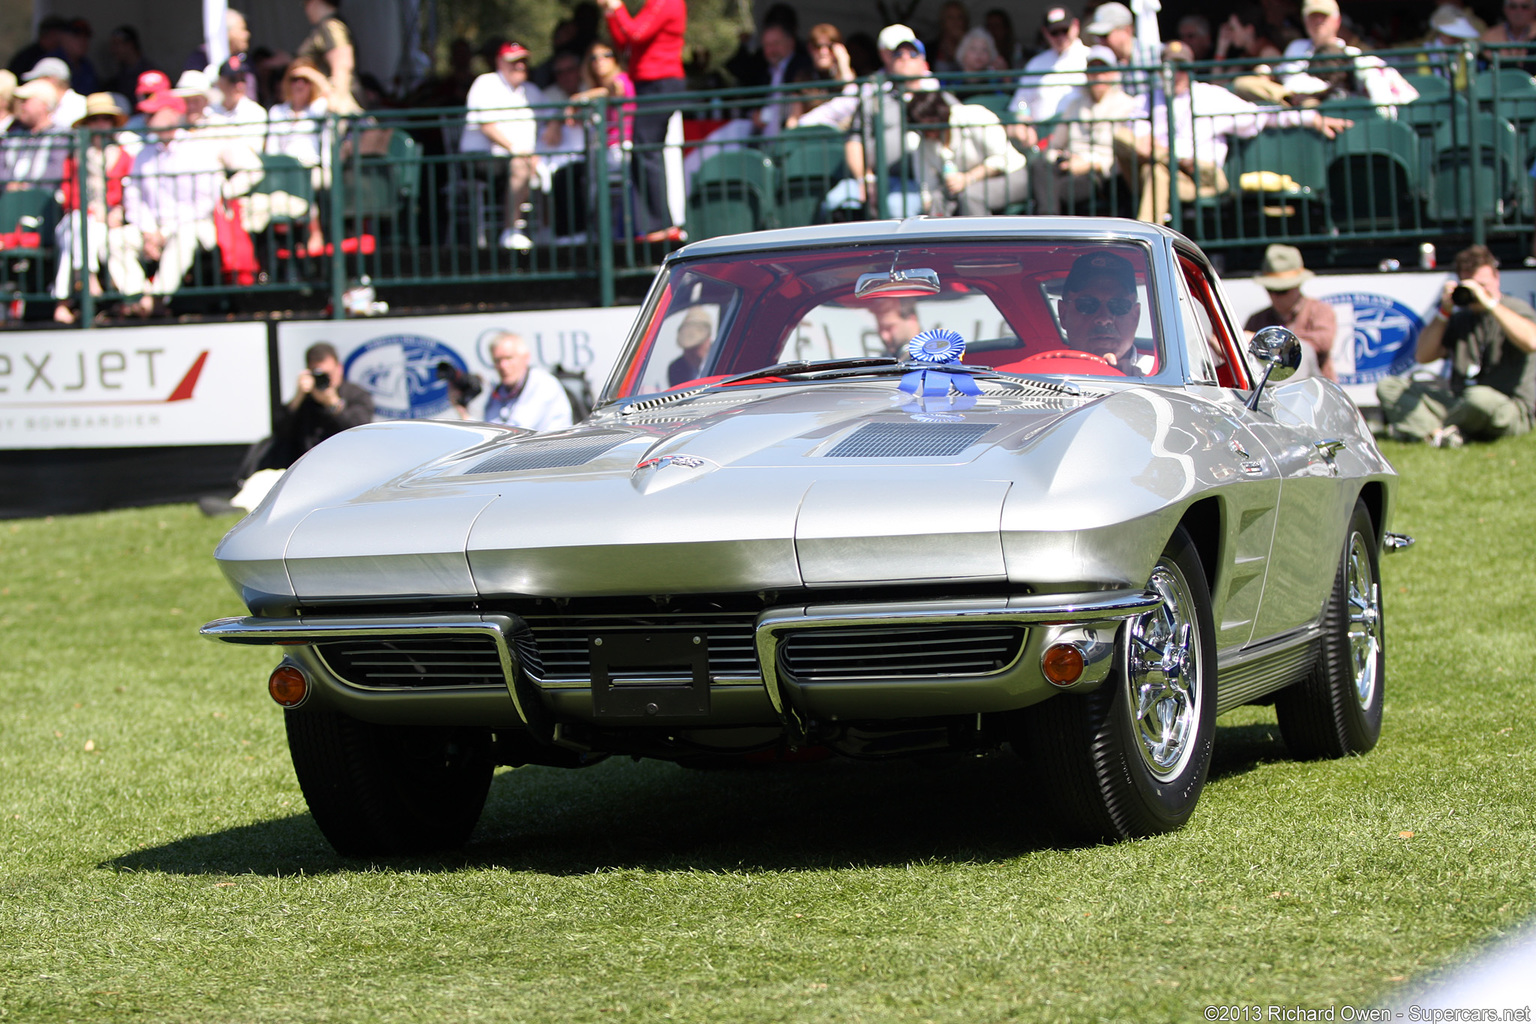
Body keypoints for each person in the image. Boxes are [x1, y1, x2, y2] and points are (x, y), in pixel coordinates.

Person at [1113, 41, 1351, 224]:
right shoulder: (1146, 101)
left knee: (1156, 171)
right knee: (1130, 145)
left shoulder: (1211, 95)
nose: (1176, 74)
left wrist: (1312, 118)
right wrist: (1171, 158)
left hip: (1200, 176)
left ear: (1191, 68)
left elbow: (1262, 116)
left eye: (1182, 67)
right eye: (1169, 68)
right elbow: (1139, 143)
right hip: (1163, 171)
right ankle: (1151, 235)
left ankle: (1144, 243)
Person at [1376, 245, 1536, 446]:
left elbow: (1531, 341)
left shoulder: (1514, 309)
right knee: (1389, 386)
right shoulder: (1461, 318)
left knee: (1479, 398)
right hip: (1460, 402)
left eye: (1482, 285)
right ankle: (1444, 435)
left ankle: (1431, 430)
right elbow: (1423, 356)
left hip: (1507, 408)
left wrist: (1489, 303)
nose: (1476, 293)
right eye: (1468, 285)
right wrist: (1444, 311)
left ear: (1497, 279)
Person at [122, 95, 223, 316]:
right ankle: (138, 297)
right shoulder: (143, 153)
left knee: (184, 237)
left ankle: (156, 299)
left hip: (194, 225)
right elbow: (134, 197)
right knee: (117, 239)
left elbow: (205, 202)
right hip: (151, 230)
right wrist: (149, 231)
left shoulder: (198, 149)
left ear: (170, 115)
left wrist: (166, 231)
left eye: (152, 114)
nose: (146, 119)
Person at [51, 93, 146, 323]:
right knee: (79, 226)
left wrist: (116, 211)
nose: (101, 124)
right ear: (88, 124)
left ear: (113, 124)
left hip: (112, 221)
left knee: (83, 233)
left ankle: (66, 299)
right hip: (82, 218)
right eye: (95, 119)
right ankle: (89, 278)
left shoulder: (124, 157)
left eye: (106, 118)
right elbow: (70, 196)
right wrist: (93, 212)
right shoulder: (76, 157)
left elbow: (130, 193)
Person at [602, 0, 687, 244]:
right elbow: (625, 44)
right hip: (648, 84)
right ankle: (651, 224)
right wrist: (611, 14)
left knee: (646, 148)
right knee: (643, 148)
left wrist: (617, 7)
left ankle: (659, 225)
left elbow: (636, 34)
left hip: (661, 82)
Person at [1032, 46, 1135, 214]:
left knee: (1053, 191)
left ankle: (1048, 229)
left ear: (1114, 74)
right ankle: (1050, 227)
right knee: (1039, 166)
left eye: (1104, 70)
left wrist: (1089, 164)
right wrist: (1062, 158)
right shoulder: (1075, 105)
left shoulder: (1127, 105)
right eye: (1093, 71)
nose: (1099, 76)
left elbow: (1122, 154)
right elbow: (1056, 143)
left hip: (1101, 175)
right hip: (1069, 164)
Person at [462, 41, 544, 251]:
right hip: (482, 158)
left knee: (550, 165)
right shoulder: (485, 83)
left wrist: (540, 148)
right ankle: (511, 230)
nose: (520, 66)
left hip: (520, 158)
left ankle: (548, 231)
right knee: (520, 164)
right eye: (514, 62)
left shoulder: (532, 90)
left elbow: (551, 119)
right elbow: (487, 126)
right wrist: (517, 150)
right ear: (500, 62)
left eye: (523, 62)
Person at [906, 90, 1030, 215]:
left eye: (930, 124)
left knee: (971, 196)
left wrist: (968, 178)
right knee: (937, 199)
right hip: (961, 188)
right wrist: (931, 205)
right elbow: (928, 187)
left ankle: (983, 235)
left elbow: (1002, 158)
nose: (928, 132)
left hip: (1011, 175)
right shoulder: (923, 142)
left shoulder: (973, 116)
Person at [268, 342, 375, 467]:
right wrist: (298, 396)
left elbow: (361, 430)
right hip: (307, 467)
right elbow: (279, 431)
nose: (325, 379)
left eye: (328, 374)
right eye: (319, 375)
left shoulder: (356, 394)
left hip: (348, 465)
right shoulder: (305, 399)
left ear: (339, 368)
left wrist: (334, 404)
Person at [1243, 245, 1337, 380]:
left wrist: (1268, 342)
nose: (1275, 296)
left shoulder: (1319, 310)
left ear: (1297, 286)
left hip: (1313, 388)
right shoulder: (1257, 319)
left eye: (1282, 291)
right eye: (1270, 289)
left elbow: (1323, 342)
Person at [460, 332, 575, 431]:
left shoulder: (543, 384)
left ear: (526, 357)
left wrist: (467, 419)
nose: (503, 365)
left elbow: (515, 432)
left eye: (509, 358)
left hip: (551, 454)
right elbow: (490, 427)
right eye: (497, 360)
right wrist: (462, 408)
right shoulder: (499, 391)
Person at [1056, 250, 1143, 373]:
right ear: (1063, 314)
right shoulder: (1039, 379)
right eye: (1087, 305)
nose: (1104, 319)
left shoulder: (1167, 380)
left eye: (1119, 305)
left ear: (1136, 316)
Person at [1010, 6, 1090, 123]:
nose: (1060, 37)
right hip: (1041, 135)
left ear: (1076, 26)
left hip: (1078, 132)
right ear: (1045, 32)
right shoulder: (1035, 64)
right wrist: (1024, 119)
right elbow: (1021, 102)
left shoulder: (1092, 58)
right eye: (1054, 32)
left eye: (1064, 30)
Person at [1213, 5, 1288, 104]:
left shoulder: (1268, 52)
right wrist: (1221, 48)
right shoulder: (1245, 56)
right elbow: (1218, 84)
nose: (1230, 33)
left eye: (1233, 28)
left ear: (1249, 30)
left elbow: (1268, 86)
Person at [1, 79, 69, 189]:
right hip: (8, 201)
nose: (21, 106)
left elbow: (56, 171)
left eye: (26, 101)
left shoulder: (60, 136)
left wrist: (30, 187)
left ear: (44, 105)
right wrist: (8, 185)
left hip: (45, 202)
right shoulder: (12, 133)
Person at [296, 0, 360, 113]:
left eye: (306, 3)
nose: (305, 9)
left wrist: (338, 99)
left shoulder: (331, 26)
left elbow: (342, 63)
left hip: (336, 101)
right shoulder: (324, 26)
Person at [22, 56, 86, 129]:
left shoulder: (80, 105)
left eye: (37, 80)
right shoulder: (51, 106)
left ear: (51, 79)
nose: (34, 85)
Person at [668, 307, 714, 384]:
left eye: (695, 348)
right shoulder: (676, 369)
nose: (690, 354)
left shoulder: (722, 361)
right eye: (687, 349)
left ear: (707, 340)